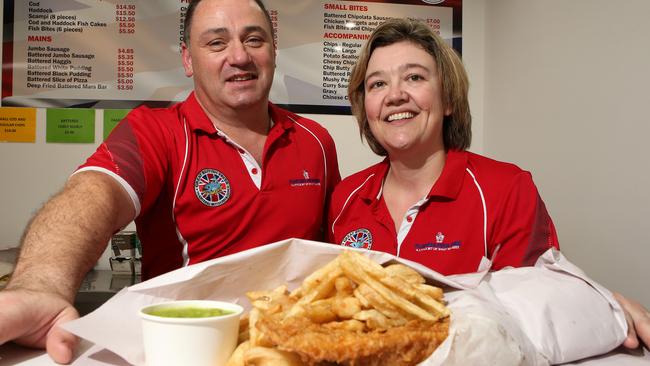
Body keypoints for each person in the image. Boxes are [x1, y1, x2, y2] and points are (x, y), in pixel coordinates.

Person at [0, 0, 340, 363]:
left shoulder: (316, 139)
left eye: (254, 39)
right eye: (216, 43)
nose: (239, 56)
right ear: (188, 59)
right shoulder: (154, 130)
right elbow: (93, 195)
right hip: (190, 349)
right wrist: (40, 285)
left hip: (296, 350)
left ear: (273, 50)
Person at [328, 18, 649, 350]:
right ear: (365, 107)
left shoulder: (507, 189)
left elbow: (541, 307)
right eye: (377, 84)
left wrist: (599, 302)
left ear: (448, 100)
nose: (395, 95)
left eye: (414, 77)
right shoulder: (345, 197)